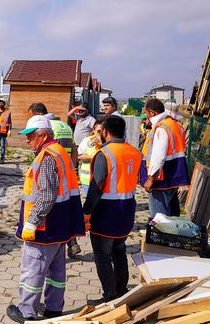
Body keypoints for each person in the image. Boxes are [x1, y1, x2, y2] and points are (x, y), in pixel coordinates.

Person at [7, 115, 85, 323]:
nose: (27, 140)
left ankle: (26, 312)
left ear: (43, 135)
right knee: (56, 271)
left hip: (45, 227)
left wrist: (32, 221)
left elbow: (47, 195)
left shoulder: (47, 157)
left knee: (33, 270)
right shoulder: (60, 152)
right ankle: (53, 309)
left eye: (30, 136)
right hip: (60, 224)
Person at [83, 116, 141, 302]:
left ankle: (110, 296)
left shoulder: (104, 154)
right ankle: (121, 290)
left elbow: (97, 185)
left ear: (105, 132)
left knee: (102, 256)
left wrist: (86, 210)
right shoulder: (134, 152)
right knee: (119, 251)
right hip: (127, 209)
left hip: (106, 212)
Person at [27, 103, 79, 256]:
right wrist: (71, 168)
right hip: (66, 173)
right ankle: (72, 242)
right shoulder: (65, 126)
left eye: (31, 117)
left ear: (39, 116)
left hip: (51, 183)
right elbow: (74, 150)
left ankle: (70, 242)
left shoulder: (48, 129)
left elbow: (47, 191)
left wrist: (32, 222)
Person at [140, 98, 190, 217]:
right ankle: (171, 234)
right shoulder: (175, 125)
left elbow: (159, 156)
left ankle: (161, 235)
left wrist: (151, 179)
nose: (146, 117)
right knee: (172, 213)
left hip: (161, 179)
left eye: (146, 113)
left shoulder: (161, 128)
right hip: (174, 174)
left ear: (153, 112)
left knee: (159, 218)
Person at [78, 119, 103, 196]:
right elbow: (79, 155)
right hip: (87, 179)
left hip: (103, 180)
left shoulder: (108, 142)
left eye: (103, 131)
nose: (101, 133)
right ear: (94, 130)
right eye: (99, 131)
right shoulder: (87, 141)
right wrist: (94, 157)